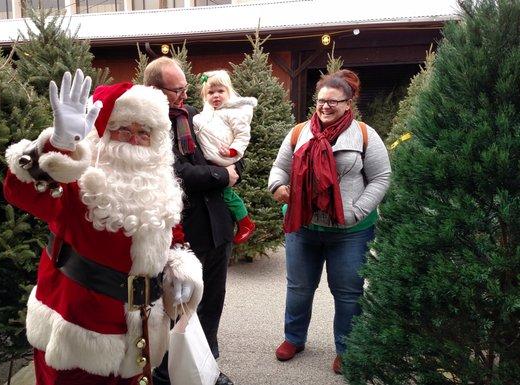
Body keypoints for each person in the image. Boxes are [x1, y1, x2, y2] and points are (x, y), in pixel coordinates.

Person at [3, 70, 205, 385]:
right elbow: (21, 192)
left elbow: (171, 236)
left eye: (145, 133)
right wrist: (57, 148)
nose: (136, 140)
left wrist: (180, 264)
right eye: (124, 129)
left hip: (141, 332)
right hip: (78, 333)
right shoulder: (79, 181)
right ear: (104, 132)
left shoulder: (159, 182)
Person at [268, 69, 391, 374]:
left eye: (334, 102)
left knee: (348, 291)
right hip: (304, 226)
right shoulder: (299, 133)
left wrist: (357, 211)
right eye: (322, 100)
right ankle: (293, 339)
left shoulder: (364, 134)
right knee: (299, 287)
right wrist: (277, 186)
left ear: (349, 103)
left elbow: (381, 177)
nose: (325, 107)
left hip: (350, 231)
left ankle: (348, 348)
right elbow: (279, 168)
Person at [143, 57, 236, 385]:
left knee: (211, 303)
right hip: (182, 235)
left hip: (216, 227)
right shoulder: (147, 125)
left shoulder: (193, 116)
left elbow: (228, 153)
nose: (184, 94)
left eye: (185, 87)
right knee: (178, 307)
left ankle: (207, 367)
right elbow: (177, 172)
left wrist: (228, 162)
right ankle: (169, 374)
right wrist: (221, 175)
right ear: (155, 89)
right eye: (177, 89)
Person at [193, 69, 257, 244]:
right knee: (221, 195)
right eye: (210, 92)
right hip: (210, 162)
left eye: (220, 91)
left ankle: (245, 222)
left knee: (227, 194)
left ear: (229, 92)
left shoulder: (234, 112)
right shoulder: (205, 115)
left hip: (226, 160)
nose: (216, 96)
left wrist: (232, 151)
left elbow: (243, 135)